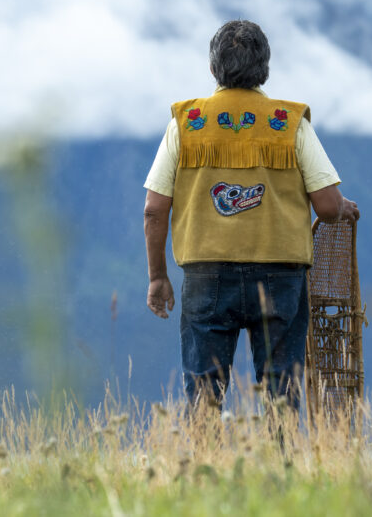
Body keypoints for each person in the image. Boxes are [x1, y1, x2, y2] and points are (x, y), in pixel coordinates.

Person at [143, 20, 359, 410]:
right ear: (265, 68)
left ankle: (203, 465)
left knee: (204, 393)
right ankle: (283, 466)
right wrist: (344, 207)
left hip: (206, 275)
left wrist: (158, 277)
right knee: (282, 390)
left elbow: (154, 211)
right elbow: (328, 207)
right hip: (280, 276)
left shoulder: (186, 124)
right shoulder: (288, 123)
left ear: (213, 69)